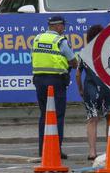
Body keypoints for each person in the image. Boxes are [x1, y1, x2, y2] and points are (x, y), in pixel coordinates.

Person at [31, 15, 79, 159]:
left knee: (44, 115)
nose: (64, 28)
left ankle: (43, 149)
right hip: (56, 81)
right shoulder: (60, 41)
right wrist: (73, 64)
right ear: (57, 26)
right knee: (57, 115)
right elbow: (73, 60)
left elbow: (33, 57)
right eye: (63, 26)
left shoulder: (37, 38)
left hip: (39, 80)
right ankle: (55, 148)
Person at [77, 24, 110, 161]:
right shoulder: (108, 51)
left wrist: (80, 89)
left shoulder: (84, 52)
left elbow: (78, 74)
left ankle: (92, 152)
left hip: (90, 89)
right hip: (108, 88)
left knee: (92, 120)